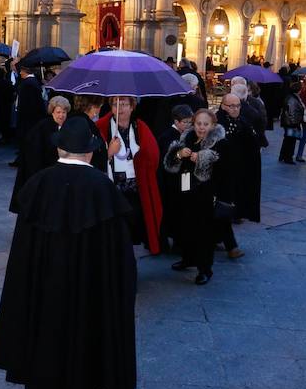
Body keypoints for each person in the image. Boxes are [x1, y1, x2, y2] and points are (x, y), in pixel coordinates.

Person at [0, 117, 136, 389]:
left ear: (60, 150)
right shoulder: (103, 190)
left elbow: (22, 255)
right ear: (91, 152)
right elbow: (121, 260)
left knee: (48, 348)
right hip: (91, 298)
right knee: (88, 354)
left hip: (45, 296)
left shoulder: (38, 184)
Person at [163, 108, 230, 285]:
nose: (201, 127)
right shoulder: (187, 138)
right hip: (185, 192)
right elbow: (169, 164)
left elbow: (224, 168)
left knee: (203, 233)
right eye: (198, 123)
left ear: (213, 125)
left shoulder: (219, 142)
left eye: (205, 124)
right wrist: (178, 154)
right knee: (184, 228)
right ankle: (188, 258)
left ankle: (205, 269)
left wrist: (201, 158)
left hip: (205, 195)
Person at [96, 96, 164, 255]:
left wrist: (141, 158)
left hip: (136, 186)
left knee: (134, 224)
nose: (120, 109)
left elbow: (153, 155)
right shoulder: (101, 127)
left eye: (124, 104)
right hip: (113, 187)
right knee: (117, 228)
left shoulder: (140, 127)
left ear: (132, 107)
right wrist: (108, 153)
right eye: (115, 104)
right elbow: (90, 157)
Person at [9, 96, 71, 212]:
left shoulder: (66, 127)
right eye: (58, 112)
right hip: (43, 170)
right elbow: (34, 153)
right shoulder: (43, 127)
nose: (61, 115)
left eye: (64, 112)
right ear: (52, 112)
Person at [217, 91, 260, 228]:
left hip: (240, 165)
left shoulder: (243, 121)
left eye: (237, 106)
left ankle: (237, 213)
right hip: (222, 167)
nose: (235, 109)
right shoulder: (217, 122)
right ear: (223, 106)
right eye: (231, 106)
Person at [157, 104, 194, 249]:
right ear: (176, 121)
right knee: (175, 209)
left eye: (189, 122)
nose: (188, 125)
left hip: (184, 178)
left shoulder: (187, 134)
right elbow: (166, 160)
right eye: (185, 122)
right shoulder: (167, 136)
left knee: (183, 208)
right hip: (172, 180)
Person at [11, 64, 46, 166]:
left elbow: (28, 103)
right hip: (31, 117)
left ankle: (24, 160)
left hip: (28, 118)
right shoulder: (31, 82)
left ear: (26, 71)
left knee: (26, 139)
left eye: (21, 71)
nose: (20, 73)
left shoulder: (28, 84)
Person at [69, 95, 108, 171]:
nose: (100, 109)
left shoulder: (71, 119)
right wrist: (109, 152)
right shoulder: (88, 126)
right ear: (93, 107)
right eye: (100, 106)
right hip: (85, 172)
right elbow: (95, 154)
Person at [278, 82, 305, 164]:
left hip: (289, 122)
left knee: (287, 139)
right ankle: (288, 157)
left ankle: (283, 156)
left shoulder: (292, 97)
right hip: (291, 123)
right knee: (290, 140)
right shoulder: (293, 99)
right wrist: (295, 123)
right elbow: (291, 112)